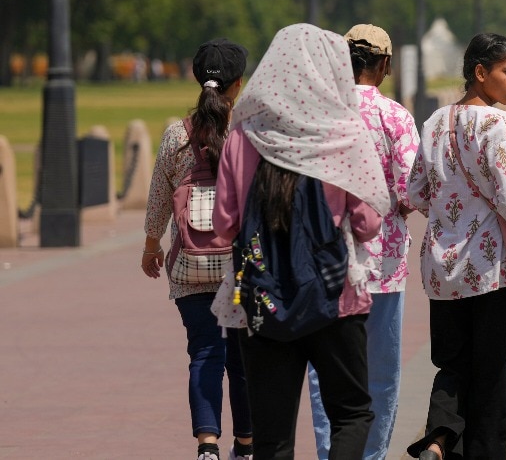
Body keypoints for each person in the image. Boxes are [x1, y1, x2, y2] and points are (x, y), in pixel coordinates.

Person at [212, 24, 390, 460]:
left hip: (263, 297)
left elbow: (225, 223)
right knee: (351, 414)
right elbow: (367, 222)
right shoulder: (344, 133)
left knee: (272, 436)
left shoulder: (244, 135)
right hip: (335, 297)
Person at [405, 33, 506, 460]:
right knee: (491, 374)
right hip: (490, 267)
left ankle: (440, 441)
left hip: (442, 267)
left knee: (452, 365)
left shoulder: (434, 122)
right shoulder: (499, 124)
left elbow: (417, 192)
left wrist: (451, 215)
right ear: (481, 73)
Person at [307, 25, 419, 460]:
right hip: (383, 263)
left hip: (324, 260)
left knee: (325, 374)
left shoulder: (320, 114)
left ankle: (329, 452)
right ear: (385, 65)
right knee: (380, 373)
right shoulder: (394, 117)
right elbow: (413, 189)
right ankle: (369, 455)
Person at [141, 38, 254, 460]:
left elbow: (158, 200)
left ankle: (207, 444)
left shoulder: (176, 136)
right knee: (241, 360)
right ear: (238, 84)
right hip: (238, 265)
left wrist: (151, 248)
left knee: (204, 351)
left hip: (190, 267)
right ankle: (245, 445)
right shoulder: (246, 132)